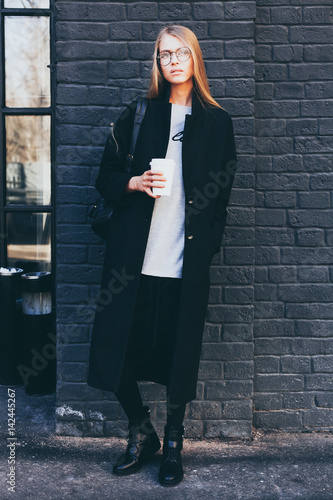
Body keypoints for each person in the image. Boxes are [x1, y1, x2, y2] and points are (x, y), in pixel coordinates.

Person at [87, 24, 237, 486]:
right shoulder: (137, 114)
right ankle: (141, 430)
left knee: (178, 356)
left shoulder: (217, 122)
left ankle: (173, 442)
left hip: (182, 265)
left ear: (195, 58)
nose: (172, 60)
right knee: (116, 352)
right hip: (133, 262)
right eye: (163, 54)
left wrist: (207, 246)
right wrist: (133, 183)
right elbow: (105, 178)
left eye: (180, 52)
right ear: (157, 61)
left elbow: (221, 199)